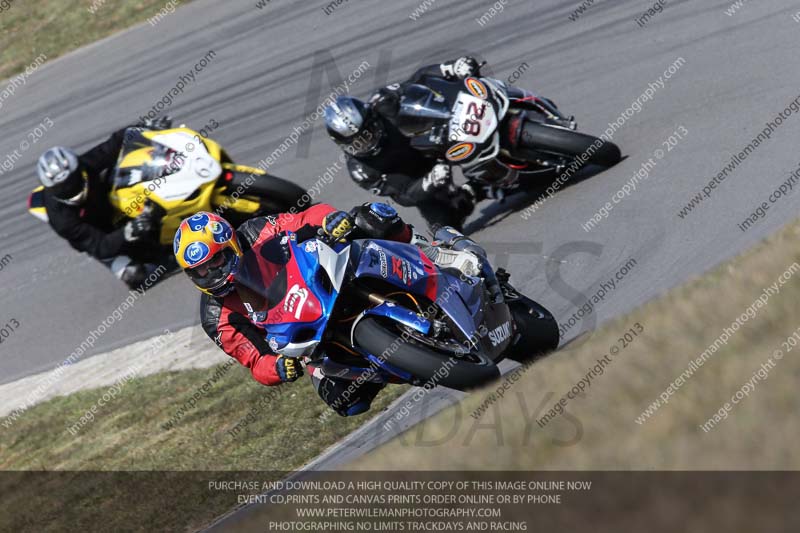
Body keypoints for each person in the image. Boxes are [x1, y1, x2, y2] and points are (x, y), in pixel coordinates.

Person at [175, 202, 418, 416]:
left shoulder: (257, 231)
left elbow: (305, 218)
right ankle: (407, 367)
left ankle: (427, 248)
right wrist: (278, 367)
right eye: (200, 271)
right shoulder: (215, 316)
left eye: (215, 261)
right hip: (308, 336)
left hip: (324, 282)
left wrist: (329, 219)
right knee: (344, 400)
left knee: (370, 217)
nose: (211, 274)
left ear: (231, 245)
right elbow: (255, 359)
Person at [324, 56, 489, 231]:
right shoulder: (361, 171)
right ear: (343, 144)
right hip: (419, 175)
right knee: (445, 228)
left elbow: (420, 80)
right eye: (359, 141)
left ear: (372, 117)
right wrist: (429, 181)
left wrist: (449, 68)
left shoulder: (382, 100)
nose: (369, 140)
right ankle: (477, 190)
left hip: (437, 136)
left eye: (369, 130)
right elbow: (403, 195)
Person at [36, 117, 174, 288]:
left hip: (107, 204)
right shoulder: (61, 219)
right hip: (100, 235)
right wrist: (129, 231)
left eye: (71, 181)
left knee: (135, 171)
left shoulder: (84, 167)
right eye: (63, 187)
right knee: (136, 277)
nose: (70, 188)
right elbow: (100, 246)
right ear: (52, 189)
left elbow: (111, 146)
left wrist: (143, 127)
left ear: (77, 170)